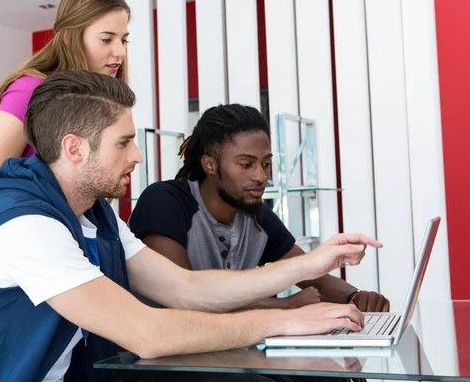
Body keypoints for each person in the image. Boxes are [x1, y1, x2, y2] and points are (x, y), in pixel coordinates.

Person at [0, 70, 381, 382]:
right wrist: (284, 321)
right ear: (75, 148)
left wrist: (314, 262)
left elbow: (185, 289)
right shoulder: (24, 225)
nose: (137, 157)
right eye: (123, 143)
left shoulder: (93, 213)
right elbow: (148, 333)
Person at [0, 0, 131, 288]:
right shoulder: (29, 91)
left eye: (123, 40)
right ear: (69, 37)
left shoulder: (86, 102)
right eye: (107, 39)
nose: (119, 52)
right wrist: (22, 256)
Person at [129, 104, 390, 312]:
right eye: (246, 164)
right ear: (209, 165)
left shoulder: (256, 215)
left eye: (266, 164)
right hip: (161, 363)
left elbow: (312, 274)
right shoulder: (164, 202)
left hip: (226, 354)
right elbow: (184, 299)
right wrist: (284, 306)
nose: (260, 176)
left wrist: (355, 297)